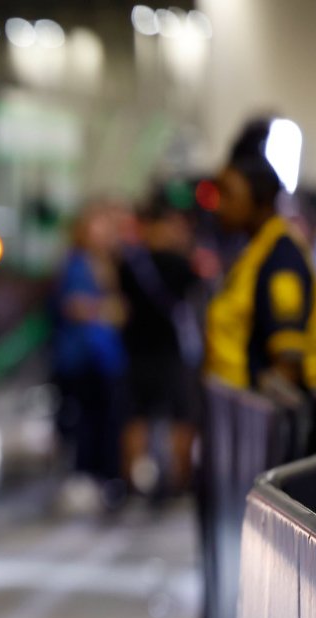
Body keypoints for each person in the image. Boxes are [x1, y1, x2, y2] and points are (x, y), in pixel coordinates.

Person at [205, 153, 316, 412]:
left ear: (261, 200)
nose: (219, 205)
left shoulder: (281, 257)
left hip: (279, 428)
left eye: (230, 194)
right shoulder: (257, 251)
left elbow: (287, 368)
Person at [118, 186, 201, 497]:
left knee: (136, 417)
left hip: (135, 351)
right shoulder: (179, 263)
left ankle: (132, 482)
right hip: (170, 352)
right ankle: (179, 482)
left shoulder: (129, 264)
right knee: (180, 417)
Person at [51, 202, 128, 512]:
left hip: (105, 358)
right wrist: (104, 310)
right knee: (85, 421)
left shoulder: (110, 263)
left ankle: (102, 478)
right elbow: (72, 305)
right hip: (82, 358)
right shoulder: (78, 264)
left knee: (105, 421)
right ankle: (86, 480)